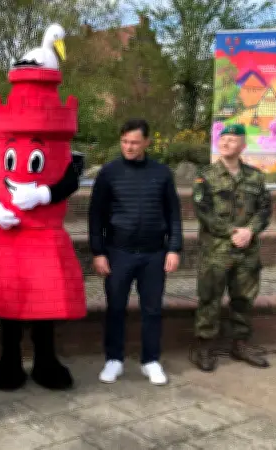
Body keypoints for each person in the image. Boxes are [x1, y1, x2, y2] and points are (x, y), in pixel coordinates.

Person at [88, 118, 183, 386]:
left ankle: (150, 361)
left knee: (152, 309)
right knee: (115, 307)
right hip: (118, 252)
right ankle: (113, 359)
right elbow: (96, 216)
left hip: (154, 253)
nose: (129, 147)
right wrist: (98, 252)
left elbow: (174, 214)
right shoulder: (109, 173)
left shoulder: (162, 173)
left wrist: (174, 248)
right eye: (125, 142)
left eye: (135, 142)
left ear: (147, 143)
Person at [192, 123, 272, 372]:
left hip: (246, 251)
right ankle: (204, 348)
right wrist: (231, 232)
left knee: (244, 299)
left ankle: (241, 344)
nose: (226, 143)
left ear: (243, 145)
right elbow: (202, 211)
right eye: (223, 139)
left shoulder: (256, 177)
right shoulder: (205, 176)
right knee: (209, 299)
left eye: (232, 139)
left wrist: (249, 231)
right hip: (216, 250)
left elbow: (265, 209)